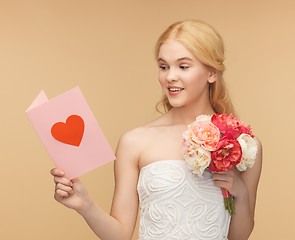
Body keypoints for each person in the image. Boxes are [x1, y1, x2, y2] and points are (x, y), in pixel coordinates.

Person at [50, 19, 262, 240]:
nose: (170, 76)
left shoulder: (242, 145)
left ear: (211, 73)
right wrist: (85, 204)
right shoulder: (134, 142)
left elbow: (240, 237)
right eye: (163, 66)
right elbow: (121, 234)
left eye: (183, 66)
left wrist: (241, 192)